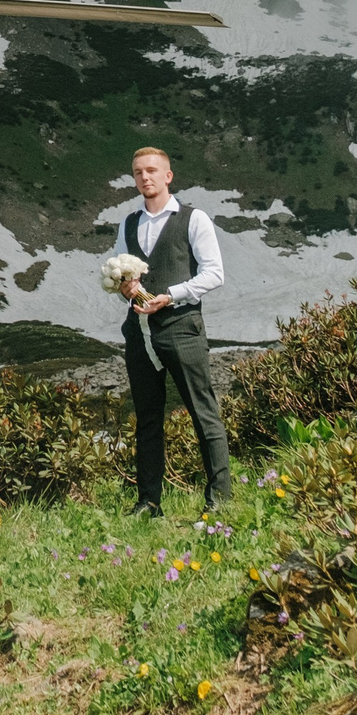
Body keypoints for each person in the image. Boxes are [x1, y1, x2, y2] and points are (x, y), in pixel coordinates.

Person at [112, 146, 233, 516]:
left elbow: (214, 273)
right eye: (137, 172)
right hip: (140, 333)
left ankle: (219, 502)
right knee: (147, 418)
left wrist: (171, 296)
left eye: (151, 171)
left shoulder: (193, 219)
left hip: (182, 328)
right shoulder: (129, 224)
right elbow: (119, 274)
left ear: (168, 176)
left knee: (203, 412)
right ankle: (149, 502)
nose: (144, 177)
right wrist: (126, 288)